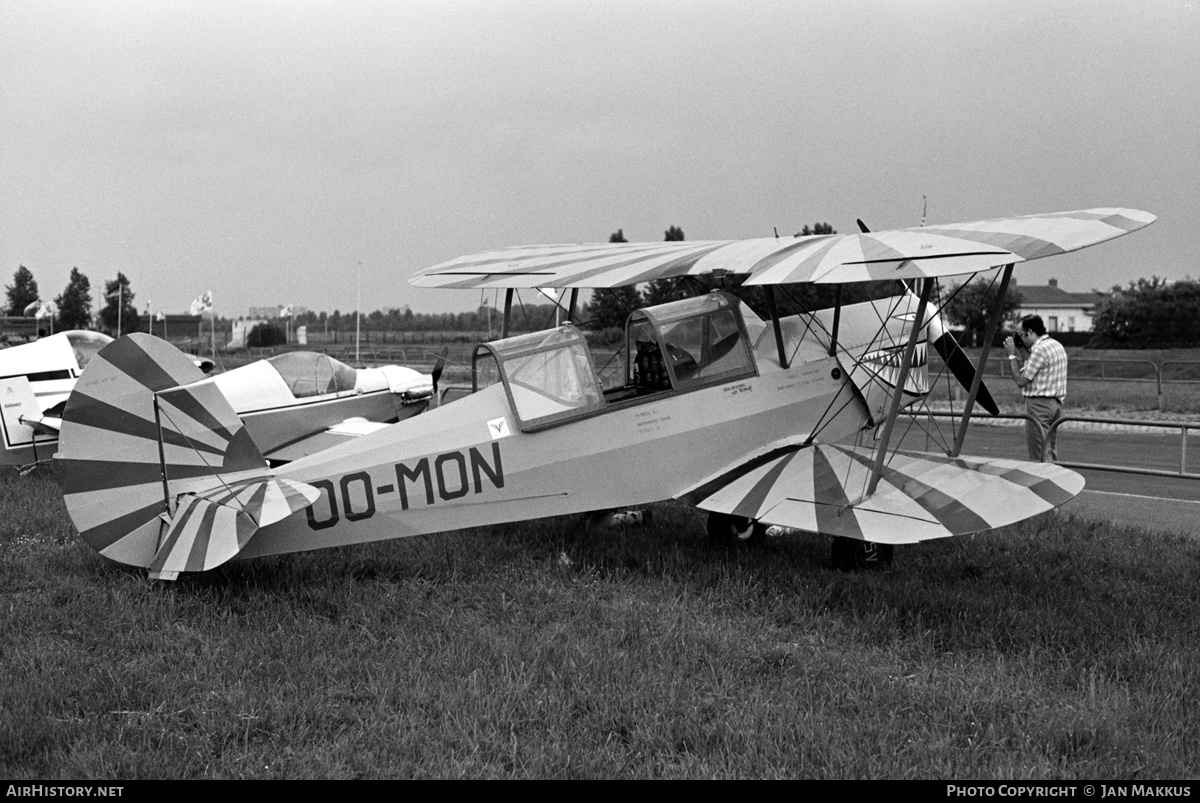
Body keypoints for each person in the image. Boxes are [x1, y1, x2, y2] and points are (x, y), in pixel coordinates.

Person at [1004, 315, 1068, 461]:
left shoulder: (1039, 350)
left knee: (1039, 454)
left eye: (1021, 334)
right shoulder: (1055, 345)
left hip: (1039, 406)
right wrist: (1021, 348)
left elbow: (1021, 381)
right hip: (1055, 405)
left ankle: (1044, 482)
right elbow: (1034, 362)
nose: (1019, 337)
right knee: (1050, 449)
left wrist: (1012, 356)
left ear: (1031, 332)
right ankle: (1055, 480)